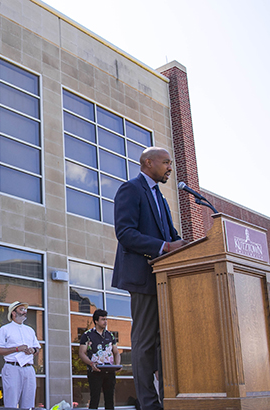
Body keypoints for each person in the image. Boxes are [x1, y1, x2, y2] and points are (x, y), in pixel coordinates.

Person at [111, 147, 189, 410]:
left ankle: (170, 399)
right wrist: (165, 247)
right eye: (166, 162)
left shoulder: (161, 198)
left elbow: (172, 235)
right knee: (144, 344)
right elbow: (125, 233)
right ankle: (148, 404)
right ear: (148, 162)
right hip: (143, 278)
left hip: (165, 280)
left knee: (165, 342)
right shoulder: (131, 189)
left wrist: (186, 245)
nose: (170, 167)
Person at [0, 301, 41, 408]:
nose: (25, 312)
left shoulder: (30, 330)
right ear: (13, 313)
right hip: (12, 367)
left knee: (29, 402)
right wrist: (16, 349)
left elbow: (37, 349)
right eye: (21, 309)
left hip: (29, 368)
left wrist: (33, 350)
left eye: (25, 310)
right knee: (11, 402)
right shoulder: (5, 329)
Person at [79, 309, 121, 410]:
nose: (105, 322)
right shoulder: (87, 335)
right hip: (95, 371)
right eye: (103, 319)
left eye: (106, 319)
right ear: (96, 321)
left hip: (109, 371)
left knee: (110, 399)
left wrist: (117, 364)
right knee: (95, 399)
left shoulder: (110, 335)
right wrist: (91, 363)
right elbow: (81, 353)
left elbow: (116, 352)